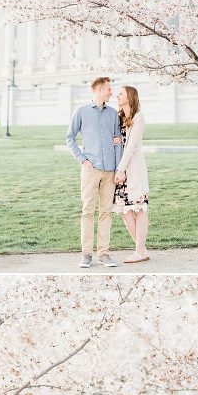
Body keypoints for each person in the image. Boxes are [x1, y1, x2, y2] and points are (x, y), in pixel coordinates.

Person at [66, 77, 122, 268]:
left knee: (106, 212)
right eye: (108, 89)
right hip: (90, 170)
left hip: (109, 171)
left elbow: (118, 141)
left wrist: (118, 168)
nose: (111, 92)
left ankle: (104, 253)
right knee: (87, 211)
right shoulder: (81, 112)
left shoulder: (114, 114)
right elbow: (70, 138)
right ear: (98, 90)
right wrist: (82, 159)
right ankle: (86, 254)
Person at [114, 86, 150, 263]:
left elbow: (132, 147)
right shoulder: (118, 118)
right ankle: (141, 250)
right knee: (124, 210)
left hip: (132, 170)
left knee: (139, 208)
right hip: (119, 172)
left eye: (120, 93)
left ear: (130, 96)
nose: (117, 96)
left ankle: (139, 251)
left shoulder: (138, 118)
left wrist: (121, 169)